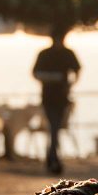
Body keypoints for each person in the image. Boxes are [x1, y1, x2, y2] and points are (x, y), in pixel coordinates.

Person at [32, 25, 80, 175]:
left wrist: (71, 83)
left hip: (61, 98)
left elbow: (77, 69)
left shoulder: (66, 53)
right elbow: (35, 73)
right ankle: (53, 160)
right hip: (50, 97)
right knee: (54, 128)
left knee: (54, 128)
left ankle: (52, 159)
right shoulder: (46, 54)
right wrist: (54, 79)